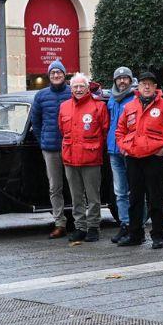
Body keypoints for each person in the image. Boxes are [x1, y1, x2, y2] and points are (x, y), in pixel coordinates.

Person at [116, 71, 163, 249]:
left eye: (150, 84)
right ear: (138, 86)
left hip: (153, 156)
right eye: (143, 83)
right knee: (134, 197)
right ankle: (135, 234)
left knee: (155, 197)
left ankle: (157, 236)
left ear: (155, 87)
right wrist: (123, 147)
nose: (146, 87)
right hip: (133, 157)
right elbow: (120, 130)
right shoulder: (130, 106)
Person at [57, 73, 109, 244]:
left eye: (81, 86)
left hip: (91, 158)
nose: (78, 90)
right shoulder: (64, 106)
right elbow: (62, 130)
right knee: (76, 196)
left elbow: (104, 130)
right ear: (70, 88)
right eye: (75, 87)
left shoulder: (98, 107)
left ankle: (93, 226)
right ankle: (80, 227)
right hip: (70, 158)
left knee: (93, 196)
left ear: (87, 88)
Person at [30, 59, 73, 238]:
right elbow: (36, 120)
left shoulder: (72, 93)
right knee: (55, 186)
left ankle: (80, 221)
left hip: (71, 145)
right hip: (50, 147)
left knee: (75, 185)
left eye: (59, 73)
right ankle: (59, 222)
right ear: (49, 76)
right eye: (53, 73)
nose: (56, 75)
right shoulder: (41, 96)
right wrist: (43, 140)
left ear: (64, 75)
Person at [105, 67, 138, 244]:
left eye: (126, 78)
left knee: (134, 189)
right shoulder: (111, 98)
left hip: (130, 150)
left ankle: (135, 224)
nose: (122, 81)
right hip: (114, 150)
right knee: (120, 191)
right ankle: (125, 223)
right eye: (119, 79)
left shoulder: (135, 97)